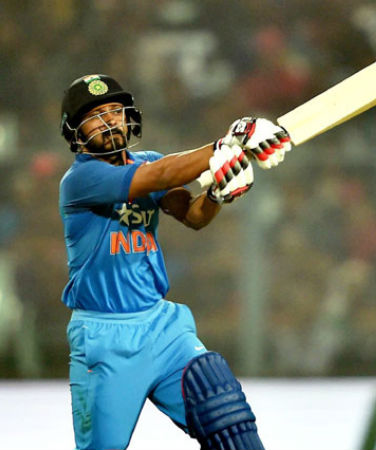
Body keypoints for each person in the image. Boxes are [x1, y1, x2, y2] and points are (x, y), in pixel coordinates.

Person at [58, 74, 291, 450]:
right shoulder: (81, 180)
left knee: (228, 419)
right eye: (94, 116)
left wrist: (215, 195)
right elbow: (161, 174)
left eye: (115, 110)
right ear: (75, 131)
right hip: (106, 337)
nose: (109, 121)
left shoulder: (146, 161)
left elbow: (193, 216)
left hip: (162, 327)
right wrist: (228, 144)